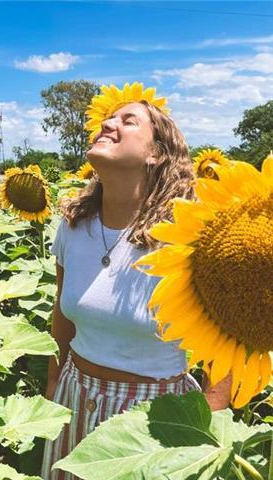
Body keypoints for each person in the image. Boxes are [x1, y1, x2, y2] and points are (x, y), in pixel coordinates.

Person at [40, 83, 232, 480]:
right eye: (108, 118)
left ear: (155, 153)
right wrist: (52, 394)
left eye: (128, 121)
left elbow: (222, 350)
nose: (108, 123)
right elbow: (61, 322)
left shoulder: (185, 237)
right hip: (74, 398)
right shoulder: (74, 228)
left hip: (155, 417)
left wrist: (210, 434)